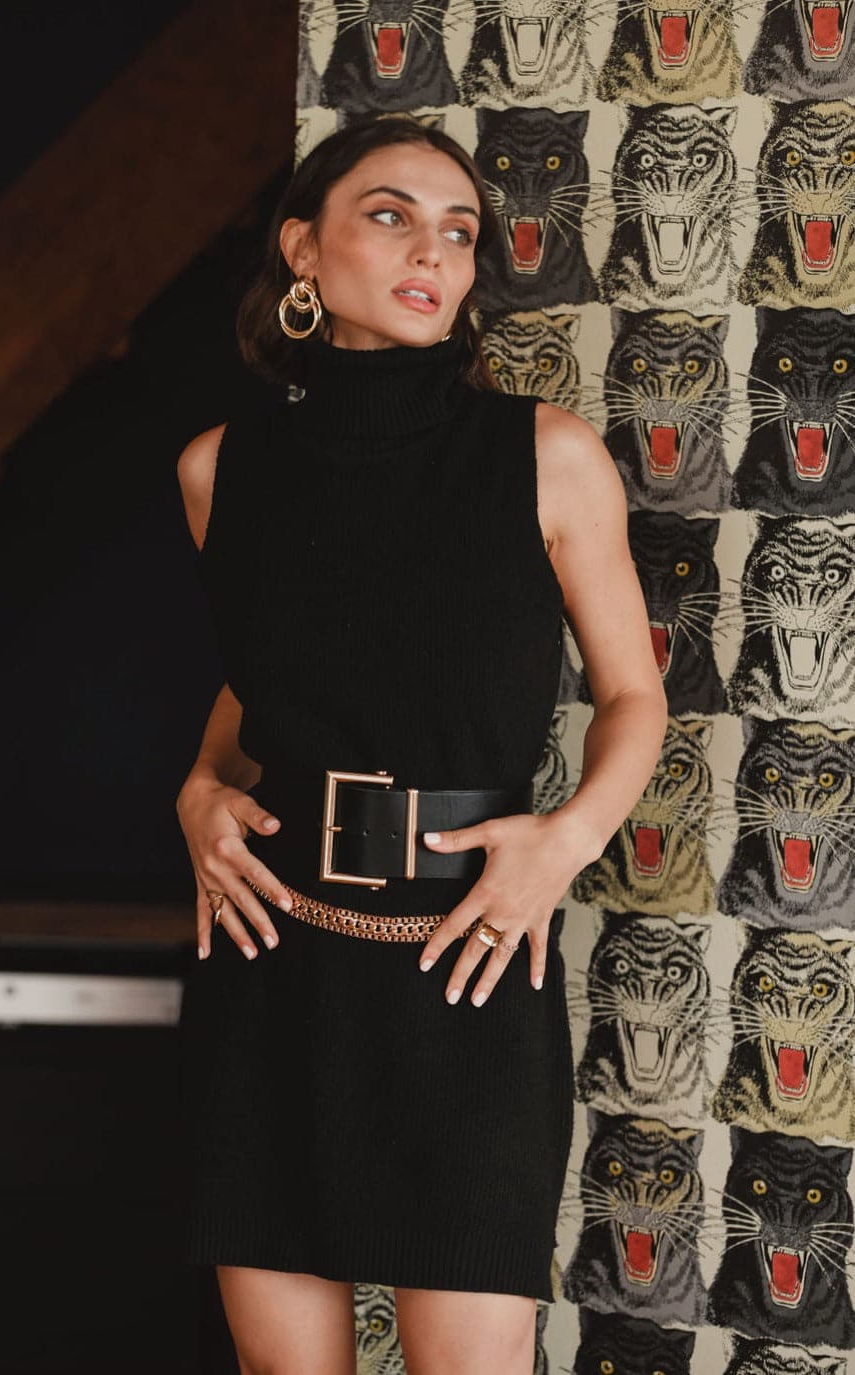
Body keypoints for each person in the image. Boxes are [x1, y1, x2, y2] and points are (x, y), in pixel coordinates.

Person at [174, 114, 667, 1375]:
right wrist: (200, 787)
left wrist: (563, 844)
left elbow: (634, 698)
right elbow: (265, 680)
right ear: (303, 250)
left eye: (458, 231)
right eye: (390, 215)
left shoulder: (546, 455)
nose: (432, 251)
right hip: (273, 960)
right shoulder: (220, 469)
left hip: (468, 968)